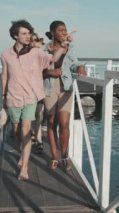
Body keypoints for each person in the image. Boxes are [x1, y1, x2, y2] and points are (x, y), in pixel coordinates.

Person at [1, 20, 64, 180]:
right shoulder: (6, 54)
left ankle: (25, 168)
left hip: (31, 96)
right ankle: (22, 153)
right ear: (15, 36)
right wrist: (3, 96)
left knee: (26, 128)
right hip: (13, 97)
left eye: (29, 33)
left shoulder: (35, 52)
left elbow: (52, 58)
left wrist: (63, 46)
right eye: (24, 33)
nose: (28, 36)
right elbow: (5, 76)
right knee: (16, 132)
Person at [43, 20, 86, 170]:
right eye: (61, 30)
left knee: (64, 124)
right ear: (53, 32)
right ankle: (54, 157)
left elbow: (74, 63)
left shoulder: (70, 48)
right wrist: (50, 72)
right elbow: (37, 68)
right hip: (49, 87)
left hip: (66, 87)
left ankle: (65, 156)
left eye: (65, 30)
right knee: (51, 123)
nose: (64, 32)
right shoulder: (44, 49)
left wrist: (80, 66)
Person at [30, 33, 45, 154]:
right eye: (35, 40)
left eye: (38, 41)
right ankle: (34, 135)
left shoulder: (41, 54)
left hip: (40, 88)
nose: (37, 43)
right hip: (28, 89)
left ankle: (38, 138)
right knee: (30, 114)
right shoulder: (25, 55)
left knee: (39, 114)